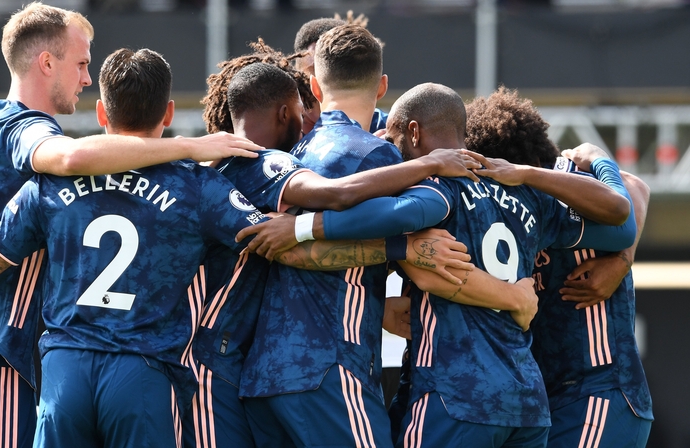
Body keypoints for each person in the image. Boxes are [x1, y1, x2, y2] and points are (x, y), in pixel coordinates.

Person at [0, 3, 260, 448]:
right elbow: (70, 157)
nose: (86, 78)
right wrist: (188, 144)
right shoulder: (27, 132)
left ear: (105, 113)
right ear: (47, 62)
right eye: (82, 63)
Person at [238, 82, 639, 447]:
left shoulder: (438, 189)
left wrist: (304, 225)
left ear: (414, 133)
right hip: (527, 402)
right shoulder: (530, 197)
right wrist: (599, 162)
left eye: (395, 143)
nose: (391, 155)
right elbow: (621, 225)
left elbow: (389, 217)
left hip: (455, 394)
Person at [192, 59, 489, 448]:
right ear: (288, 110)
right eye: (300, 113)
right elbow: (339, 195)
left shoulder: (209, 171)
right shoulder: (270, 162)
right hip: (314, 367)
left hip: (250, 370)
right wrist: (424, 180)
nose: (306, 122)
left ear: (317, 87)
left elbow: (281, 251)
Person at [463, 89, 654, 447]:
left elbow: (635, 188)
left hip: (599, 389)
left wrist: (622, 259)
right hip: (550, 396)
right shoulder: (490, 207)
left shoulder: (561, 179)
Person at [292, 12, 387, 135]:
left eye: (337, 71)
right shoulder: (281, 131)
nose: (327, 80)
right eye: (313, 72)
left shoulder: (388, 128)